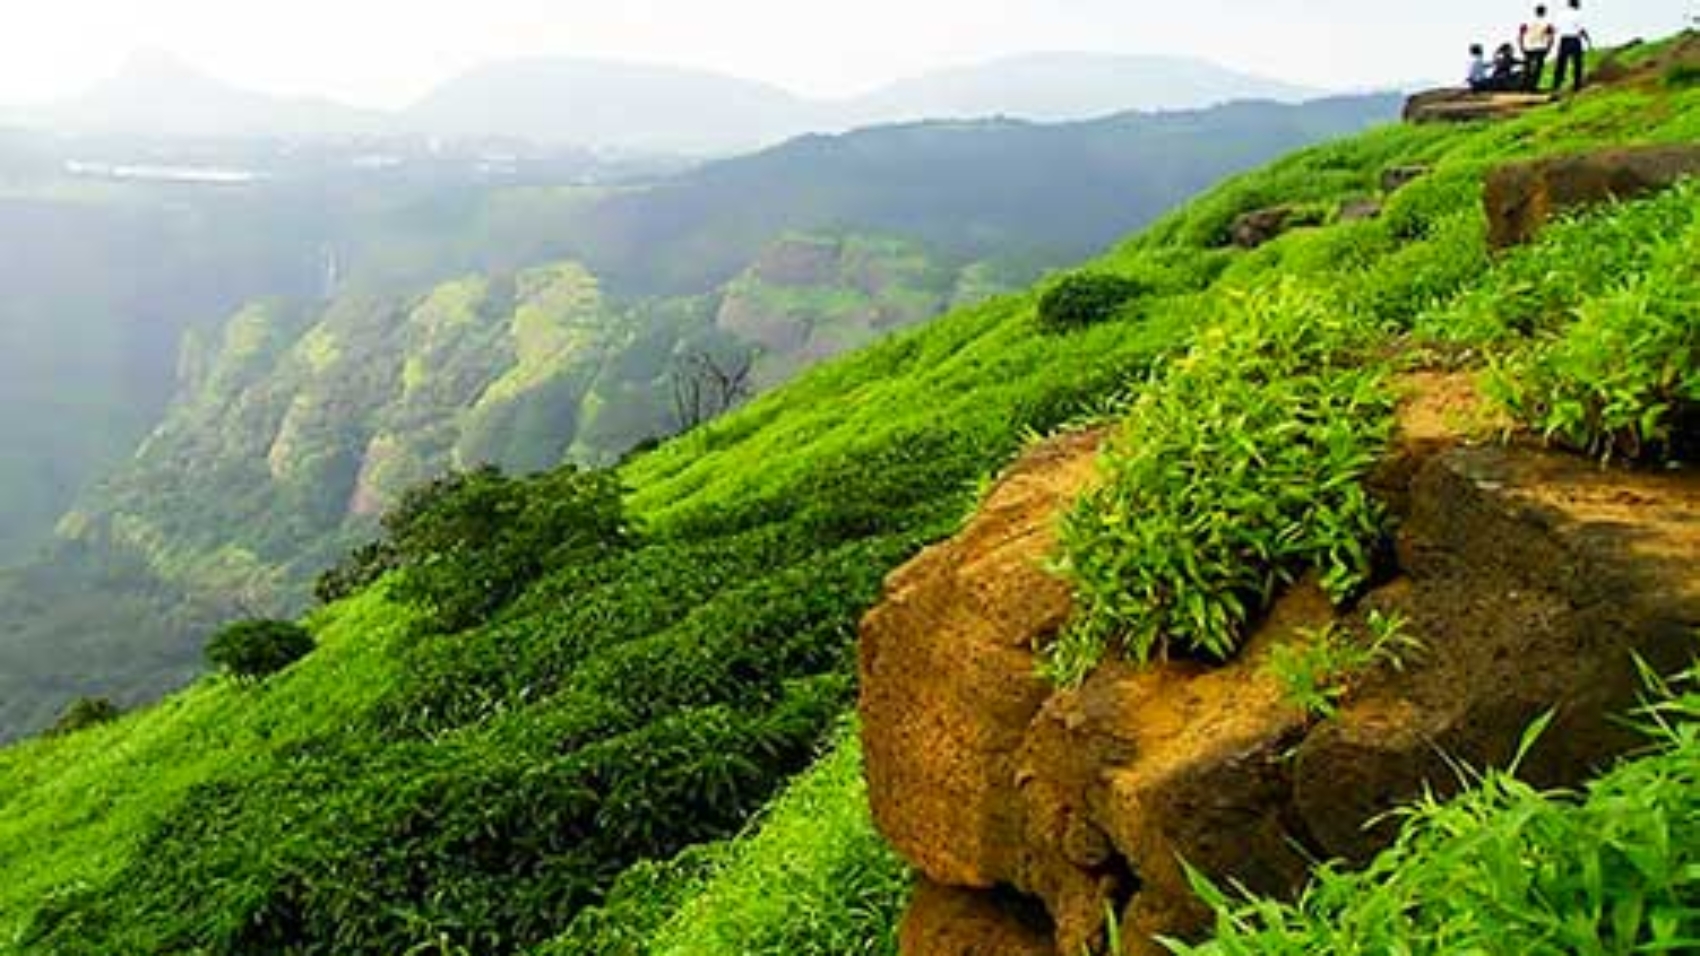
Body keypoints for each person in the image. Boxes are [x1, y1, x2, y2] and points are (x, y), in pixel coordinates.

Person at [1552, 0, 1593, 92]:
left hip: (1564, 40)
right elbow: (1581, 29)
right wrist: (1587, 38)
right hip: (1574, 39)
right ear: (1576, 4)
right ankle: (1577, 86)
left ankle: (1556, 85)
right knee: (1577, 63)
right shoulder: (1578, 14)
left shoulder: (1561, 14)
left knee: (1561, 64)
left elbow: (1555, 28)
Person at [1519, 5, 1557, 91]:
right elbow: (1551, 36)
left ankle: (1524, 86)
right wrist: (1549, 48)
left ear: (1536, 12)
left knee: (1527, 68)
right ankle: (1532, 86)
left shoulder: (1527, 22)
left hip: (1528, 46)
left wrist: (1521, 46)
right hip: (1540, 47)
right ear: (1544, 12)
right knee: (1538, 68)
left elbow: (1521, 34)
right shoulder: (1547, 23)